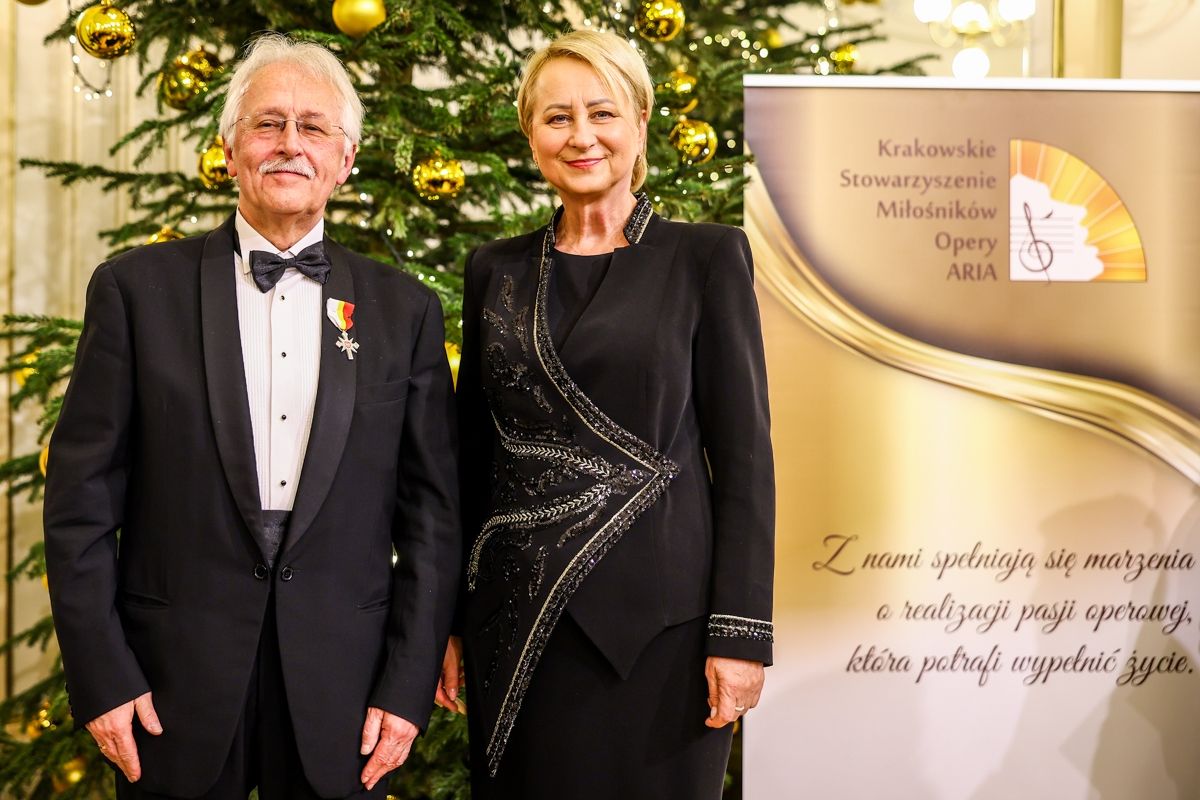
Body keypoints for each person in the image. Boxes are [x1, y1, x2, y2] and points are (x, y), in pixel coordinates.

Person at [43, 33, 459, 800]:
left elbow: (432, 520)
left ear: (346, 158)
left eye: (314, 127)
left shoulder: (406, 312)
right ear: (231, 149)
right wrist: (101, 674)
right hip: (168, 685)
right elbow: (80, 503)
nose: (290, 143)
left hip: (347, 691)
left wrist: (407, 688)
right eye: (268, 123)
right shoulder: (134, 293)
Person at [441, 28, 775, 799]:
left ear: (640, 123)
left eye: (602, 113)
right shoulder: (494, 270)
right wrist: (449, 623)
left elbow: (745, 461)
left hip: (661, 637)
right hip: (517, 629)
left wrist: (740, 633)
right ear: (530, 134)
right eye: (557, 117)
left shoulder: (706, 258)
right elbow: (471, 461)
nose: (581, 136)